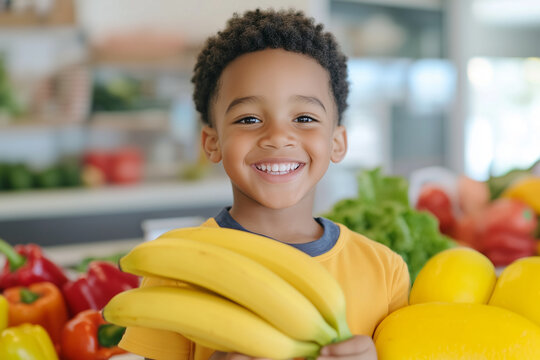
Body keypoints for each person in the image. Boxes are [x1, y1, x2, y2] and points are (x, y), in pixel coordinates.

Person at [119, 8, 410, 360]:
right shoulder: (177, 268)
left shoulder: (385, 270)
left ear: (337, 142)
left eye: (304, 118)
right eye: (249, 118)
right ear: (212, 143)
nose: (277, 137)